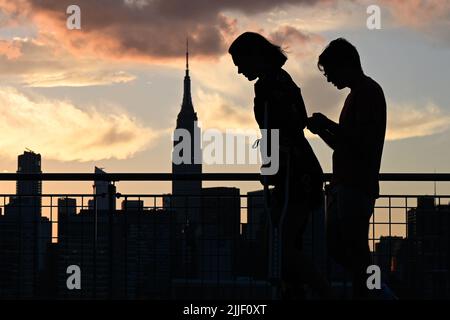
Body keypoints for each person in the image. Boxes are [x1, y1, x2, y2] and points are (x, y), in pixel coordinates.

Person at [229, 32, 329, 299]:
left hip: (294, 172)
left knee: (281, 245)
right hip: (296, 170)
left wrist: (272, 156)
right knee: (286, 241)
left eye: (240, 63)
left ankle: (324, 293)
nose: (239, 71)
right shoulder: (281, 81)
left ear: (255, 57)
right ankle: (295, 293)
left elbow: (283, 129)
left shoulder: (271, 85)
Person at [307, 38, 387, 299]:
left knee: (352, 251)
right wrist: (324, 130)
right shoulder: (358, 95)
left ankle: (376, 291)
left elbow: (358, 141)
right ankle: (375, 289)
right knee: (346, 249)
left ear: (345, 64)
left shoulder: (367, 93)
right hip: (348, 185)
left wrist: (327, 124)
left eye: (330, 72)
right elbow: (347, 144)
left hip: (356, 185)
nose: (329, 79)